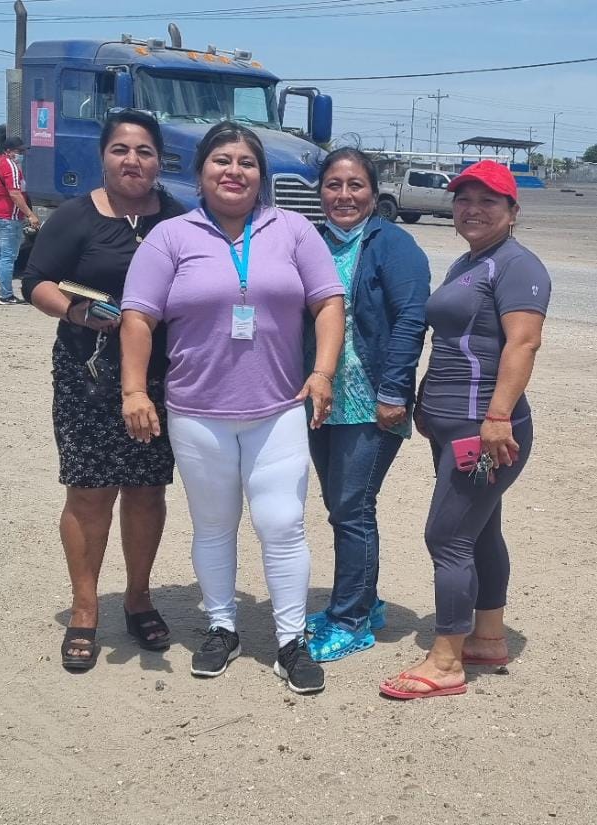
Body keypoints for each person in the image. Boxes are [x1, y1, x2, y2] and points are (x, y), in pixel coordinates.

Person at [121, 121, 346, 695]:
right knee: (214, 525)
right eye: (221, 161)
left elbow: (328, 303)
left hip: (278, 408)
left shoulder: (293, 230)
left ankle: (290, 640)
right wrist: (134, 391)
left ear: (260, 175)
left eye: (246, 162)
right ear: (201, 172)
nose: (234, 171)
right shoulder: (171, 237)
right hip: (198, 412)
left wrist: (322, 373)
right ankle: (222, 627)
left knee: (282, 524)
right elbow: (138, 316)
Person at [21, 110, 186, 673]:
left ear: (159, 160)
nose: (132, 161)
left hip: (160, 377)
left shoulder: (178, 221)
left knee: (145, 490)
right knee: (89, 493)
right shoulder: (76, 216)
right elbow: (35, 281)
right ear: (103, 157)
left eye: (144, 151)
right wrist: (77, 312)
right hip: (87, 374)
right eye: (120, 150)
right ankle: (86, 608)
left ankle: (138, 598)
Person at [381, 159, 551, 700]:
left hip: (484, 428)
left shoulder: (517, 266)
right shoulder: (469, 261)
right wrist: (427, 402)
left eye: (488, 201)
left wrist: (498, 417)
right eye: (463, 200)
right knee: (479, 530)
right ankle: (488, 638)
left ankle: (447, 661)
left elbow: (523, 343)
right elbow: (454, 343)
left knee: (447, 536)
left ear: (513, 211)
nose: (472, 210)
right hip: (452, 425)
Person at [304, 148, 431, 663]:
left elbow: (411, 320)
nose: (344, 195)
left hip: (374, 401)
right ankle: (365, 602)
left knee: (352, 508)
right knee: (342, 507)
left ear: (374, 194)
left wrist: (394, 392)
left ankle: (350, 620)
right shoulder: (311, 242)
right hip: (322, 399)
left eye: (355, 185)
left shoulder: (394, 245)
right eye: (333, 185)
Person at [0, 135, 39, 305]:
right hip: (8, 218)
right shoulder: (11, 167)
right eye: (20, 151)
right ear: (9, 151)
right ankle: (6, 295)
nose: (22, 154)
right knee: (8, 257)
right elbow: (15, 194)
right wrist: (30, 214)